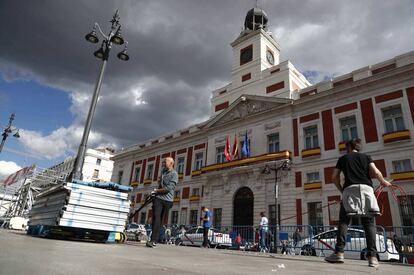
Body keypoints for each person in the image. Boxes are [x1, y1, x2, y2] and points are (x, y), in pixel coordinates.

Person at [325, 139, 392, 268]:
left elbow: (334, 177)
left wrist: (342, 190)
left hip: (349, 189)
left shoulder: (343, 159)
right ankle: (372, 257)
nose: (345, 149)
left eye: (346, 147)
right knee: (369, 223)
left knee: (344, 221)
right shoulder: (366, 157)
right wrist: (384, 182)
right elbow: (376, 172)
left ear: (349, 147)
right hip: (367, 189)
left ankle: (339, 253)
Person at [146, 157, 178, 248]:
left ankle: (156, 239)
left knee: (160, 221)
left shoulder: (174, 174)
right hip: (159, 198)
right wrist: (155, 193)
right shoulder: (163, 172)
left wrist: (156, 190)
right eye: (163, 161)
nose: (163, 162)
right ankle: (153, 240)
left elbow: (168, 188)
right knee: (156, 218)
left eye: (165, 161)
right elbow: (161, 184)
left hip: (167, 200)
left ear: (171, 163)